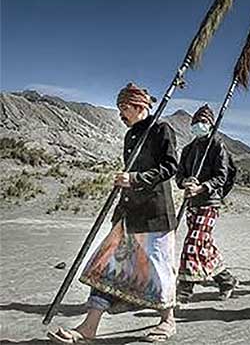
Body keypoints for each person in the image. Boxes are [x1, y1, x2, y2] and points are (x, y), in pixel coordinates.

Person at [48, 83, 179, 343]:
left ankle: (168, 321)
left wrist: (135, 178)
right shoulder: (130, 135)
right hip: (129, 214)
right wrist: (121, 204)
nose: (121, 113)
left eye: (124, 107)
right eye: (119, 107)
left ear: (140, 106)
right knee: (107, 265)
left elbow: (170, 167)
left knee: (157, 268)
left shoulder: (161, 130)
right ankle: (89, 327)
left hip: (155, 215)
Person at [176, 105, 237, 303]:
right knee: (204, 244)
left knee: (192, 243)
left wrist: (201, 187)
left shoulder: (217, 146)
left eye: (203, 122)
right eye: (195, 123)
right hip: (191, 202)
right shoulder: (188, 149)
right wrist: (185, 182)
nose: (198, 126)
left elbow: (222, 176)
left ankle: (184, 289)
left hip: (209, 202)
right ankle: (226, 279)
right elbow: (179, 176)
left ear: (210, 125)